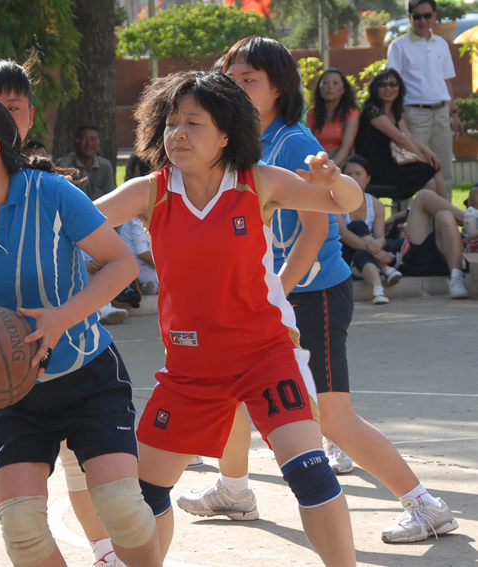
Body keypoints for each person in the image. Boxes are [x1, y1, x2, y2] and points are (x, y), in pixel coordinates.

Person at [177, 36, 458, 546]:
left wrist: (275, 296)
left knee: (331, 415)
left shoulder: (294, 143)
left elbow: (315, 232)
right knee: (231, 390)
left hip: (311, 295)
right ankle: (234, 489)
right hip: (271, 298)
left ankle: (426, 505)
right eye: (230, 77)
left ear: (279, 88)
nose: (236, 87)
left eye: (249, 80)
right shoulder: (243, 142)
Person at [94, 68, 361, 566]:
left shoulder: (257, 182)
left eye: (194, 123)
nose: (178, 134)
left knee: (309, 471)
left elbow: (346, 201)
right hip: (190, 369)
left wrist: (336, 181)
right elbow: (80, 221)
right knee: (143, 493)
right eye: (171, 123)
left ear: (226, 134)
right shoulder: (152, 191)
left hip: (265, 355)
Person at [0, 93, 162, 567]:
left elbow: (122, 263)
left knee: (122, 509)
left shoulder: (50, 193)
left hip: (86, 375)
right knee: (22, 531)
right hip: (11, 395)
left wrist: (60, 317)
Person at [388, 0, 466, 200]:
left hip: (441, 113)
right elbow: (392, 85)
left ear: (434, 16)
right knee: (414, 169)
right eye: (417, 16)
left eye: (427, 15)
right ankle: (411, 218)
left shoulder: (441, 44)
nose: (422, 20)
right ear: (409, 17)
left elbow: (446, 81)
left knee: (444, 169)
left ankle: (445, 216)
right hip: (413, 114)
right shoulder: (398, 46)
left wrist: (454, 114)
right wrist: (400, 119)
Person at [354, 69, 445, 201]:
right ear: (375, 88)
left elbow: (408, 136)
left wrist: (428, 153)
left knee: (432, 177)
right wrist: (422, 160)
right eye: (382, 84)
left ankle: (439, 211)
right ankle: (442, 211)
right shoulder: (373, 110)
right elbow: (399, 138)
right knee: (430, 173)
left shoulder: (395, 110)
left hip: (393, 162)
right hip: (375, 166)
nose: (388, 88)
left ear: (399, 87)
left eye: (393, 84)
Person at [337, 156, 403, 304]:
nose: (353, 178)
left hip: (362, 255)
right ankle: (385, 269)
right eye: (348, 174)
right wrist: (377, 252)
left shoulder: (376, 204)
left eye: (358, 174)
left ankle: (378, 290)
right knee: (357, 225)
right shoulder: (336, 202)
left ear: (368, 178)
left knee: (361, 253)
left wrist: (376, 246)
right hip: (343, 252)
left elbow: (380, 238)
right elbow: (343, 234)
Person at [391, 189, 472, 298]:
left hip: (445, 256)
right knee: (442, 213)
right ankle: (470, 221)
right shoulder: (391, 241)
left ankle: (456, 277)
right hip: (421, 259)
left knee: (437, 208)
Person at [118, 155, 158, 295]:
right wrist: (171, 267)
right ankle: (143, 286)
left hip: (155, 264)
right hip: (140, 267)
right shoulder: (141, 205)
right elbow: (142, 253)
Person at [306, 68, 359, 167]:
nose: (330, 86)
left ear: (343, 89)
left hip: (342, 162)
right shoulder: (311, 114)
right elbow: (308, 144)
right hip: (317, 160)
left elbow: (346, 147)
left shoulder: (351, 112)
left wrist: (330, 166)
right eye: (325, 83)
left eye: (335, 83)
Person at [56, 126, 116, 200]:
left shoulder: (105, 166)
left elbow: (111, 195)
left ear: (99, 144)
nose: (89, 143)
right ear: (76, 142)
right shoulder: (64, 165)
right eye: (84, 139)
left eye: (93, 139)